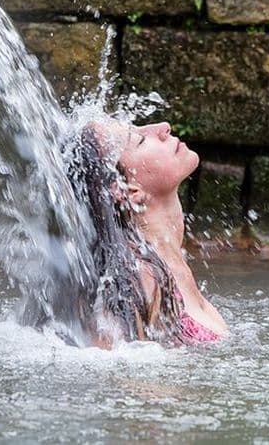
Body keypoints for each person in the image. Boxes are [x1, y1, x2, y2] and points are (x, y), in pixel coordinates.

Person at [66, 119, 227, 348]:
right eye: (140, 140)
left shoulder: (166, 268)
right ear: (128, 191)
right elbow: (116, 373)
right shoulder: (138, 278)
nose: (163, 127)